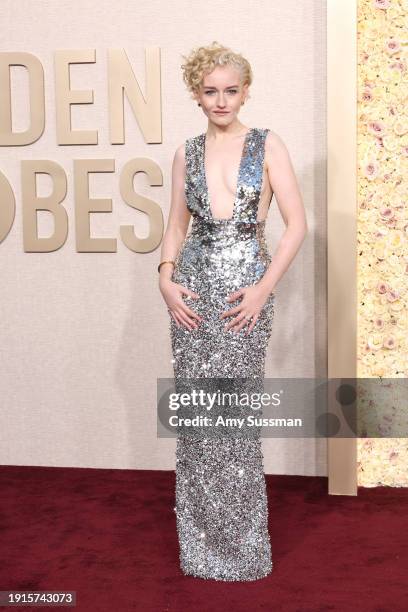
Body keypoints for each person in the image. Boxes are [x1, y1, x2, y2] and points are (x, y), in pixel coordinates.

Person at [158, 41, 307, 581]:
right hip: (192, 293)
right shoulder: (185, 153)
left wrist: (265, 289)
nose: (221, 100)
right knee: (199, 420)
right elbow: (176, 226)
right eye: (210, 91)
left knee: (236, 420)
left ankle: (242, 550)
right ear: (196, 95)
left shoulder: (267, 145)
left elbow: (295, 226)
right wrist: (165, 278)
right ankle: (199, 548)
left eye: (231, 90)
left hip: (247, 293)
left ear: (246, 91)